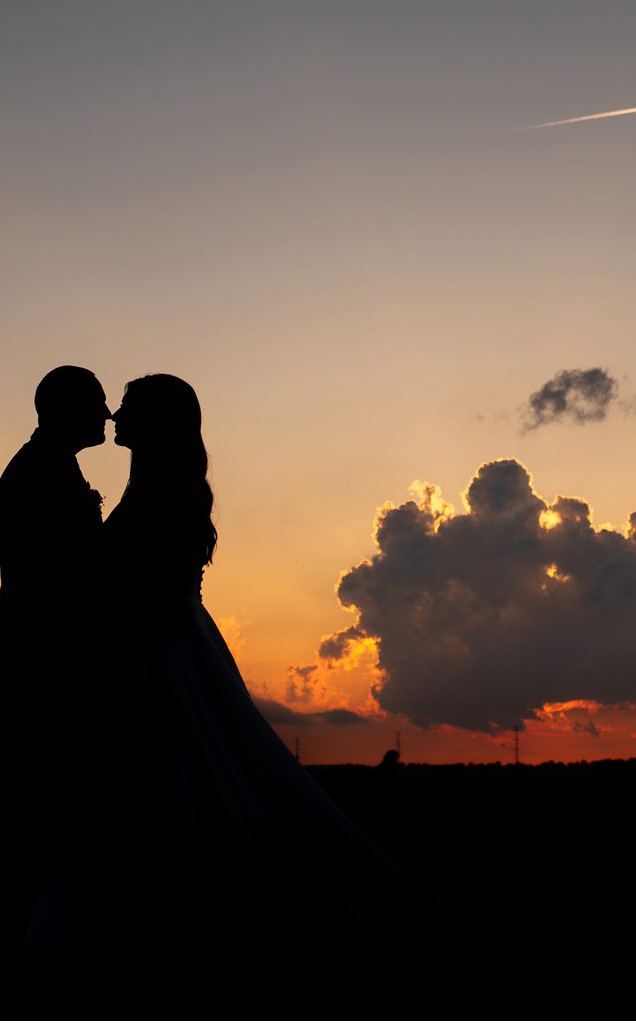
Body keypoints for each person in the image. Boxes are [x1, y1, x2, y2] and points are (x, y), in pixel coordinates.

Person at [25, 373, 442, 972]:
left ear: (159, 422)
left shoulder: (163, 491)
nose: (115, 414)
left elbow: (149, 585)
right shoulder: (156, 485)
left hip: (158, 653)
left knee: (171, 777)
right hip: (159, 647)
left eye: (130, 407)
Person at [0, 365, 113, 948]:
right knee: (41, 795)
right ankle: (36, 927)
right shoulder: (39, 473)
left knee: (54, 793)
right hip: (42, 654)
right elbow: (62, 574)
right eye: (97, 404)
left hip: (44, 650)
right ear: (66, 410)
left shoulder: (52, 465)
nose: (108, 415)